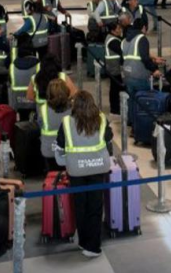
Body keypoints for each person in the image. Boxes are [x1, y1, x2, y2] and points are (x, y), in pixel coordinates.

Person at [55, 91, 114, 257]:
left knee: (80, 206)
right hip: (98, 168)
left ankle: (83, 241)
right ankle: (93, 246)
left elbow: (59, 147)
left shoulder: (66, 122)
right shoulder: (101, 119)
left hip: (76, 170)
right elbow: (109, 139)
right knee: (95, 206)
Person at [121, 19, 163, 126]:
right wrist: (155, 69)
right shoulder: (142, 38)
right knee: (143, 102)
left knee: (131, 101)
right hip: (139, 76)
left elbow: (134, 55)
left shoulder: (125, 40)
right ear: (144, 27)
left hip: (127, 74)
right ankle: (140, 126)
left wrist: (153, 59)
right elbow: (144, 58)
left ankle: (131, 122)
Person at [39, 79, 72, 171]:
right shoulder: (74, 109)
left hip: (49, 151)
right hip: (69, 150)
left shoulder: (43, 109)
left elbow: (40, 126)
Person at [9, 35, 40, 118]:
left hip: (17, 101)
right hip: (33, 100)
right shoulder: (37, 65)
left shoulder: (13, 66)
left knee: (23, 120)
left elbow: (10, 82)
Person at [104, 22, 125, 115]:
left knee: (116, 88)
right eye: (118, 28)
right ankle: (115, 109)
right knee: (115, 89)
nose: (120, 30)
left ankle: (116, 108)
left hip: (113, 67)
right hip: (114, 68)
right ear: (113, 30)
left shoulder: (113, 38)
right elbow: (122, 51)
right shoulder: (113, 41)